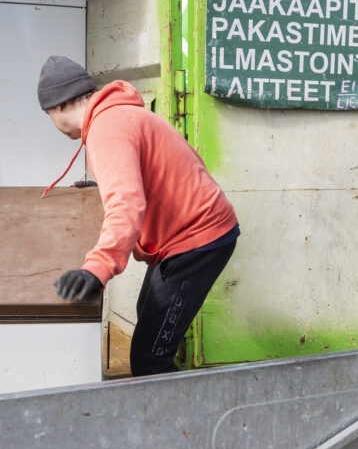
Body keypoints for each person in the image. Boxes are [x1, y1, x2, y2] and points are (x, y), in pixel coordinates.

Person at [38, 56, 240, 376]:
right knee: (147, 317)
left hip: (198, 239)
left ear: (59, 107)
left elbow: (126, 205)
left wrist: (98, 267)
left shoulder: (107, 127)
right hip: (187, 232)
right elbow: (138, 177)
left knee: (150, 359)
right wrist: (100, 187)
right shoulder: (117, 115)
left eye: (48, 115)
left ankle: (191, 423)